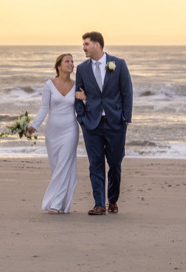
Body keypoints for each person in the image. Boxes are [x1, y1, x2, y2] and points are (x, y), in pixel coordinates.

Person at [76, 31, 133, 216]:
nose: (83, 47)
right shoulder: (82, 68)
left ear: (97, 45)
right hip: (91, 125)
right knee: (95, 164)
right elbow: (78, 95)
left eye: (86, 44)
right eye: (83, 44)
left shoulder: (118, 64)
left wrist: (126, 118)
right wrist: (82, 119)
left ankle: (113, 199)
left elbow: (127, 92)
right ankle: (99, 204)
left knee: (115, 163)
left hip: (115, 122)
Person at [29, 52, 83, 214]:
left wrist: (85, 98)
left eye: (72, 62)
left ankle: (56, 204)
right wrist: (34, 126)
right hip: (53, 131)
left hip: (70, 129)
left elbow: (84, 106)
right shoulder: (49, 85)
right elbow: (44, 107)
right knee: (56, 166)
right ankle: (61, 202)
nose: (71, 64)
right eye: (67, 61)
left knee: (64, 165)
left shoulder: (77, 85)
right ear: (59, 66)